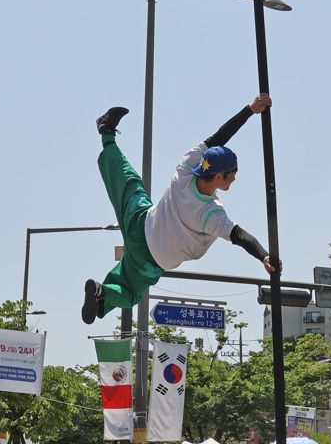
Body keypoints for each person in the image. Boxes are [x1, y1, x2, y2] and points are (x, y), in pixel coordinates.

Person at [81, 95, 280, 323]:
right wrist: (263, 256)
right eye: (232, 175)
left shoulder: (188, 167)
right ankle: (102, 293)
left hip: (140, 221)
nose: (234, 179)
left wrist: (250, 109)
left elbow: (218, 138)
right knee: (130, 292)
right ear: (218, 176)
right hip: (150, 259)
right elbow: (239, 236)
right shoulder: (211, 214)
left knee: (128, 181)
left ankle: (106, 133)